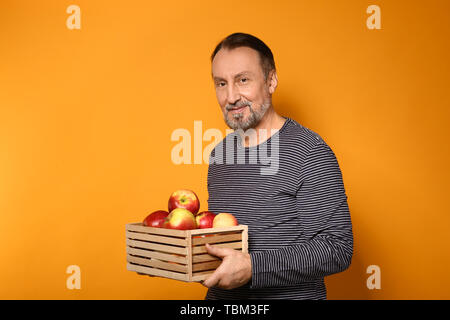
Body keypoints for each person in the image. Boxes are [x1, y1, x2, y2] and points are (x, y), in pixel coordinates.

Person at [202, 32, 353, 299]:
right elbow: (223, 243)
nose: (232, 96)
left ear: (270, 81)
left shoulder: (309, 151)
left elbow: (337, 248)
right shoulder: (219, 156)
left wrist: (253, 268)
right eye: (221, 83)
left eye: (243, 80)